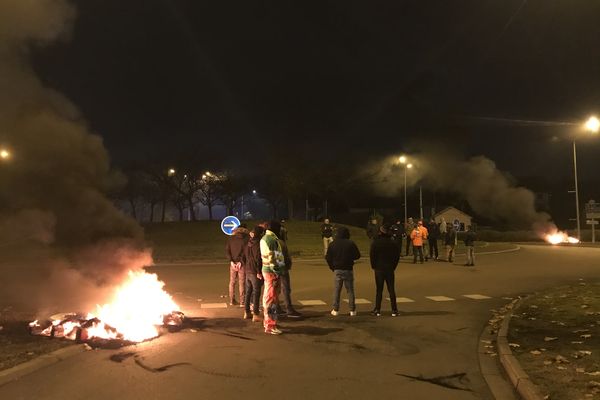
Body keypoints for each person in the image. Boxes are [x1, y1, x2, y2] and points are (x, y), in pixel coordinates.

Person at [325, 226, 361, 316]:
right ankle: (352, 310)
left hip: (337, 269)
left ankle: (336, 309)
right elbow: (357, 255)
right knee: (350, 291)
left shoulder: (333, 244)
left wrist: (332, 267)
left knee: (337, 290)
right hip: (348, 269)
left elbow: (328, 257)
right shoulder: (350, 243)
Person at [260, 221, 287, 334]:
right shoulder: (271, 240)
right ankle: (270, 325)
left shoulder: (266, 238)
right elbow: (274, 259)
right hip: (272, 272)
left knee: (270, 298)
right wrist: (278, 272)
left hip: (268, 271)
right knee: (271, 299)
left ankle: (268, 322)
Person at [369, 224, 400, 317]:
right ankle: (394, 310)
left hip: (379, 268)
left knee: (379, 290)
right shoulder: (392, 242)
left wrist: (374, 266)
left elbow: (372, 255)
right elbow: (396, 256)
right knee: (391, 289)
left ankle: (377, 309)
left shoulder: (376, 242)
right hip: (389, 268)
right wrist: (393, 266)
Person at [242, 226, 265, 322]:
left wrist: (246, 266)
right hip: (255, 272)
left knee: (248, 292)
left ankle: (246, 312)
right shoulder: (259, 244)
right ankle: (255, 314)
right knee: (256, 293)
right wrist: (259, 272)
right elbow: (258, 259)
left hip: (248, 271)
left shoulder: (248, 244)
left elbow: (243, 257)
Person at [225, 224, 249, 306]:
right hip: (241, 263)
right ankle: (242, 302)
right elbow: (246, 252)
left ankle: (231, 300)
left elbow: (227, 251)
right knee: (242, 282)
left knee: (232, 282)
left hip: (233, 263)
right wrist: (241, 262)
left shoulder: (231, 238)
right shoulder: (246, 239)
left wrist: (231, 261)